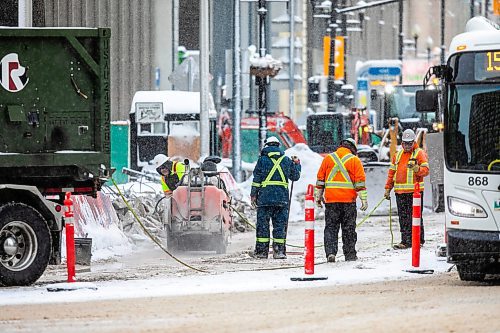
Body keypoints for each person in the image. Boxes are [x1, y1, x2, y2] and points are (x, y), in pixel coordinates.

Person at [315, 138, 368, 263]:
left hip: (331, 201)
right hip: (348, 201)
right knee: (348, 228)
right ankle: (350, 255)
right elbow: (359, 183)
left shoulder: (328, 158)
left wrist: (318, 197)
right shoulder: (354, 160)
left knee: (331, 227)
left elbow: (320, 180)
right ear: (353, 149)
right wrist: (363, 199)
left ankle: (331, 252)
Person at [250, 136, 301, 259]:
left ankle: (261, 252)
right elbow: (295, 176)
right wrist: (297, 164)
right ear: (278, 146)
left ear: (266, 146)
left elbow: (257, 180)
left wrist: (253, 195)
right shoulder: (286, 160)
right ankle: (279, 252)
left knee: (263, 226)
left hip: (265, 199)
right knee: (279, 225)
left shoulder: (262, 160)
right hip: (281, 199)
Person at [384, 129, 429, 249]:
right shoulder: (397, 155)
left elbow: (426, 171)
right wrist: (388, 188)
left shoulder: (419, 153)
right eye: (405, 143)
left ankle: (418, 240)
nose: (407, 146)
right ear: (402, 143)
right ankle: (406, 241)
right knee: (403, 218)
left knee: (416, 216)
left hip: (415, 193)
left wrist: (416, 169)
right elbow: (391, 173)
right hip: (400, 192)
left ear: (413, 142)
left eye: (409, 143)